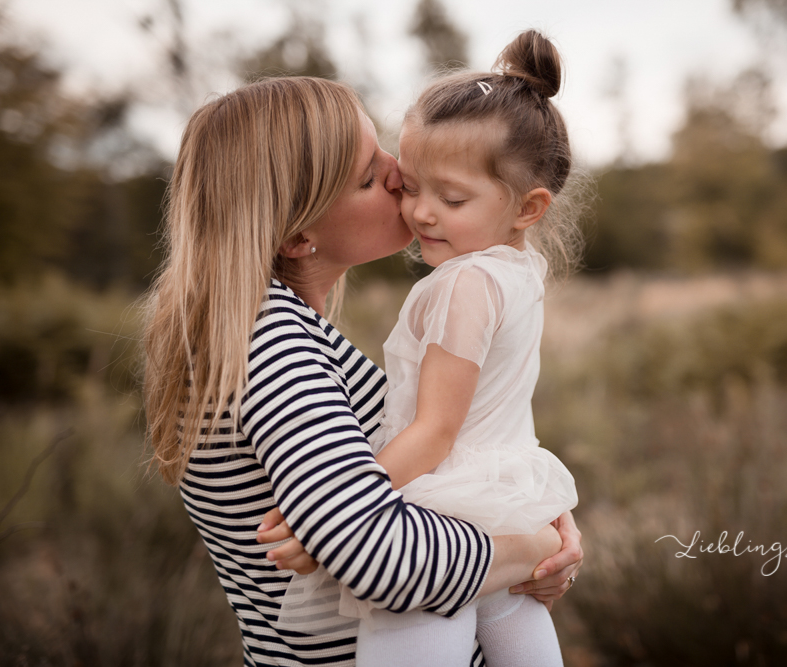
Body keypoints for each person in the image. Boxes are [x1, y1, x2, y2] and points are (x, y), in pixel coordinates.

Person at [141, 74, 582, 667]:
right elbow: (375, 552)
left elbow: (447, 454)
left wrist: (542, 527)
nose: (400, 172)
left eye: (383, 150)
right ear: (300, 235)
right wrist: (530, 547)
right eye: (370, 177)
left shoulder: (288, 330)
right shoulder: (270, 347)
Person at [276, 30, 584, 667]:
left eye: (451, 198)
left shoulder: (464, 283)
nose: (418, 213)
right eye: (409, 185)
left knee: (411, 641)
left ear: (528, 207)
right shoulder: (517, 271)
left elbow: (438, 430)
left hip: (446, 497)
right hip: (508, 490)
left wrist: (334, 518)